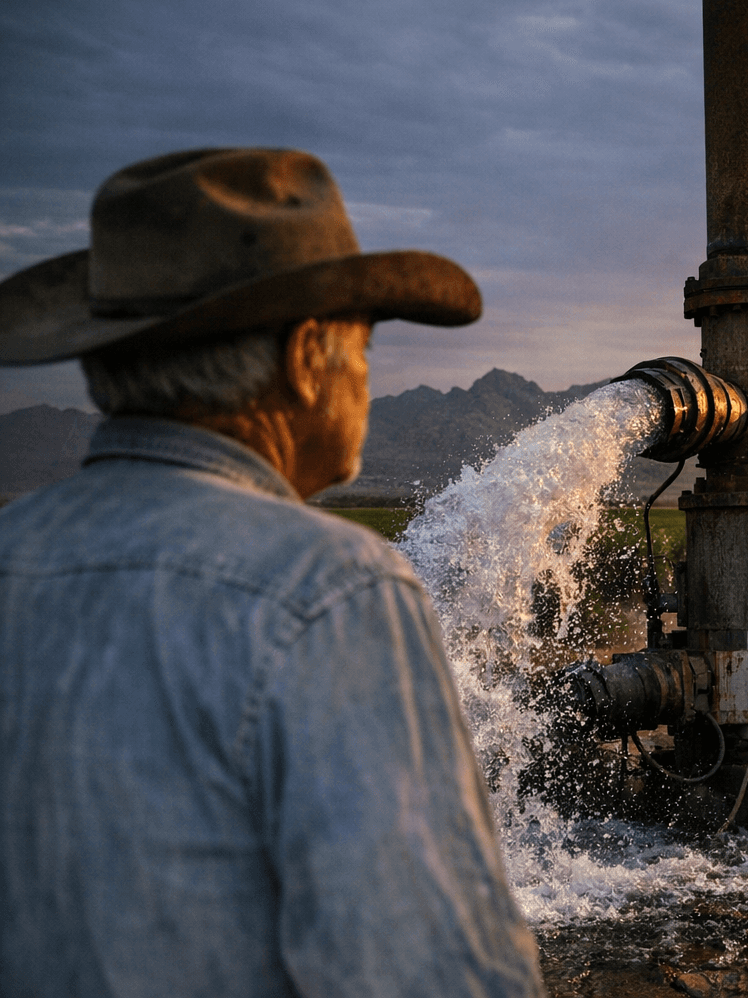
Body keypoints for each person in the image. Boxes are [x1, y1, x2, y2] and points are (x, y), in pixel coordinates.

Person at [0, 149, 546, 997]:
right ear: (306, 358)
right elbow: (434, 977)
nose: (367, 379)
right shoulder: (331, 593)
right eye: (363, 348)